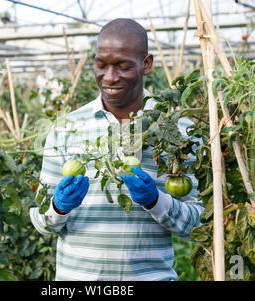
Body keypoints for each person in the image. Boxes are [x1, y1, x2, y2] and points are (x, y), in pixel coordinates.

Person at [29, 18, 204, 281]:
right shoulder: (67, 128)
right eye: (101, 65)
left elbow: (201, 222)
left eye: (122, 66)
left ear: (146, 64)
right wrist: (58, 207)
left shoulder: (179, 133)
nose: (110, 77)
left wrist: (156, 202)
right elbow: (41, 220)